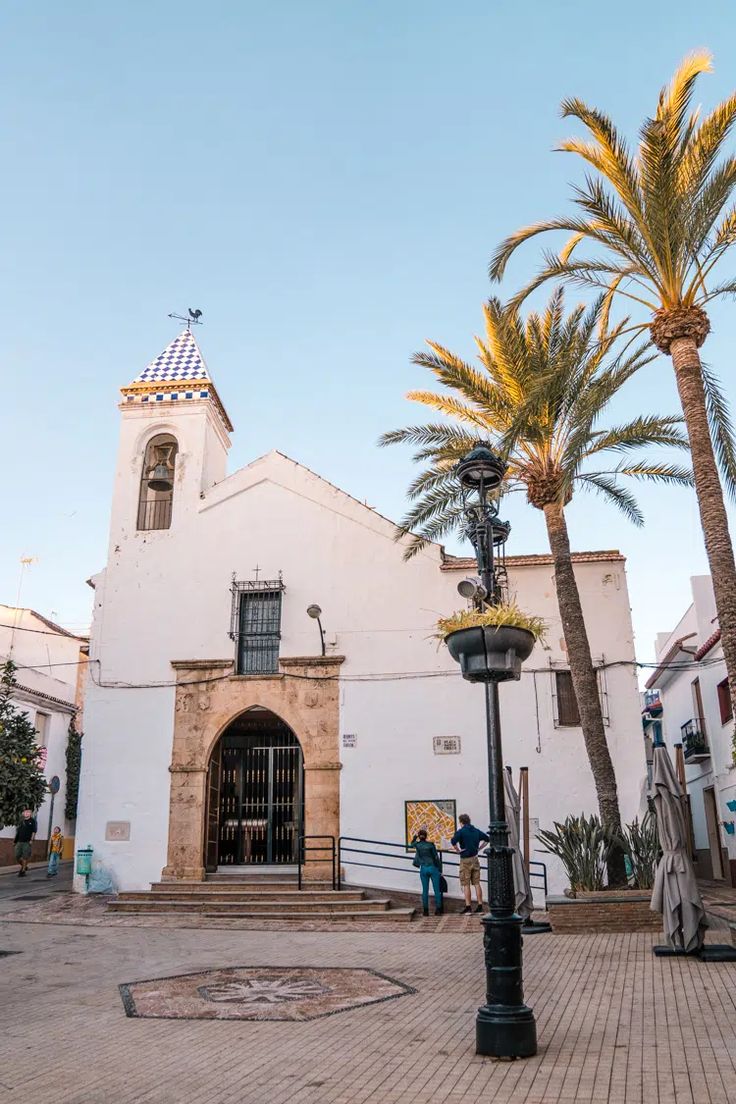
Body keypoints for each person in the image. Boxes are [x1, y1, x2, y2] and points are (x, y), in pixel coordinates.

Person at [451, 813, 489, 914]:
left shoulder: (461, 832)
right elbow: (487, 839)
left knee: (466, 883)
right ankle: (480, 906)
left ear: (461, 822)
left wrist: (458, 850)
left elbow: (453, 841)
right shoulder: (476, 831)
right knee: (477, 883)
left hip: (465, 860)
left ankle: (468, 907)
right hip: (475, 859)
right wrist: (479, 848)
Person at [408, 828, 444, 916]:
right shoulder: (431, 845)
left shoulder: (417, 844)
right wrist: (440, 869)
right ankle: (438, 910)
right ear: (426, 836)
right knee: (437, 890)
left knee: (425, 890)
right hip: (433, 868)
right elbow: (436, 857)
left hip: (423, 868)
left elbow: (410, 845)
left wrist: (415, 837)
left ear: (419, 837)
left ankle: (426, 911)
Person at [14, 809, 37, 877]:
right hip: (19, 841)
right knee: (17, 856)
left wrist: (31, 840)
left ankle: (23, 871)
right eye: (25, 812)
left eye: (28, 812)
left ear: (30, 814)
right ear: (23, 813)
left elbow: (34, 831)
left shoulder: (33, 821)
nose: (26, 813)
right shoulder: (21, 821)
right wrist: (15, 841)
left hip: (27, 842)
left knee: (25, 857)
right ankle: (24, 866)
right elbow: (18, 832)